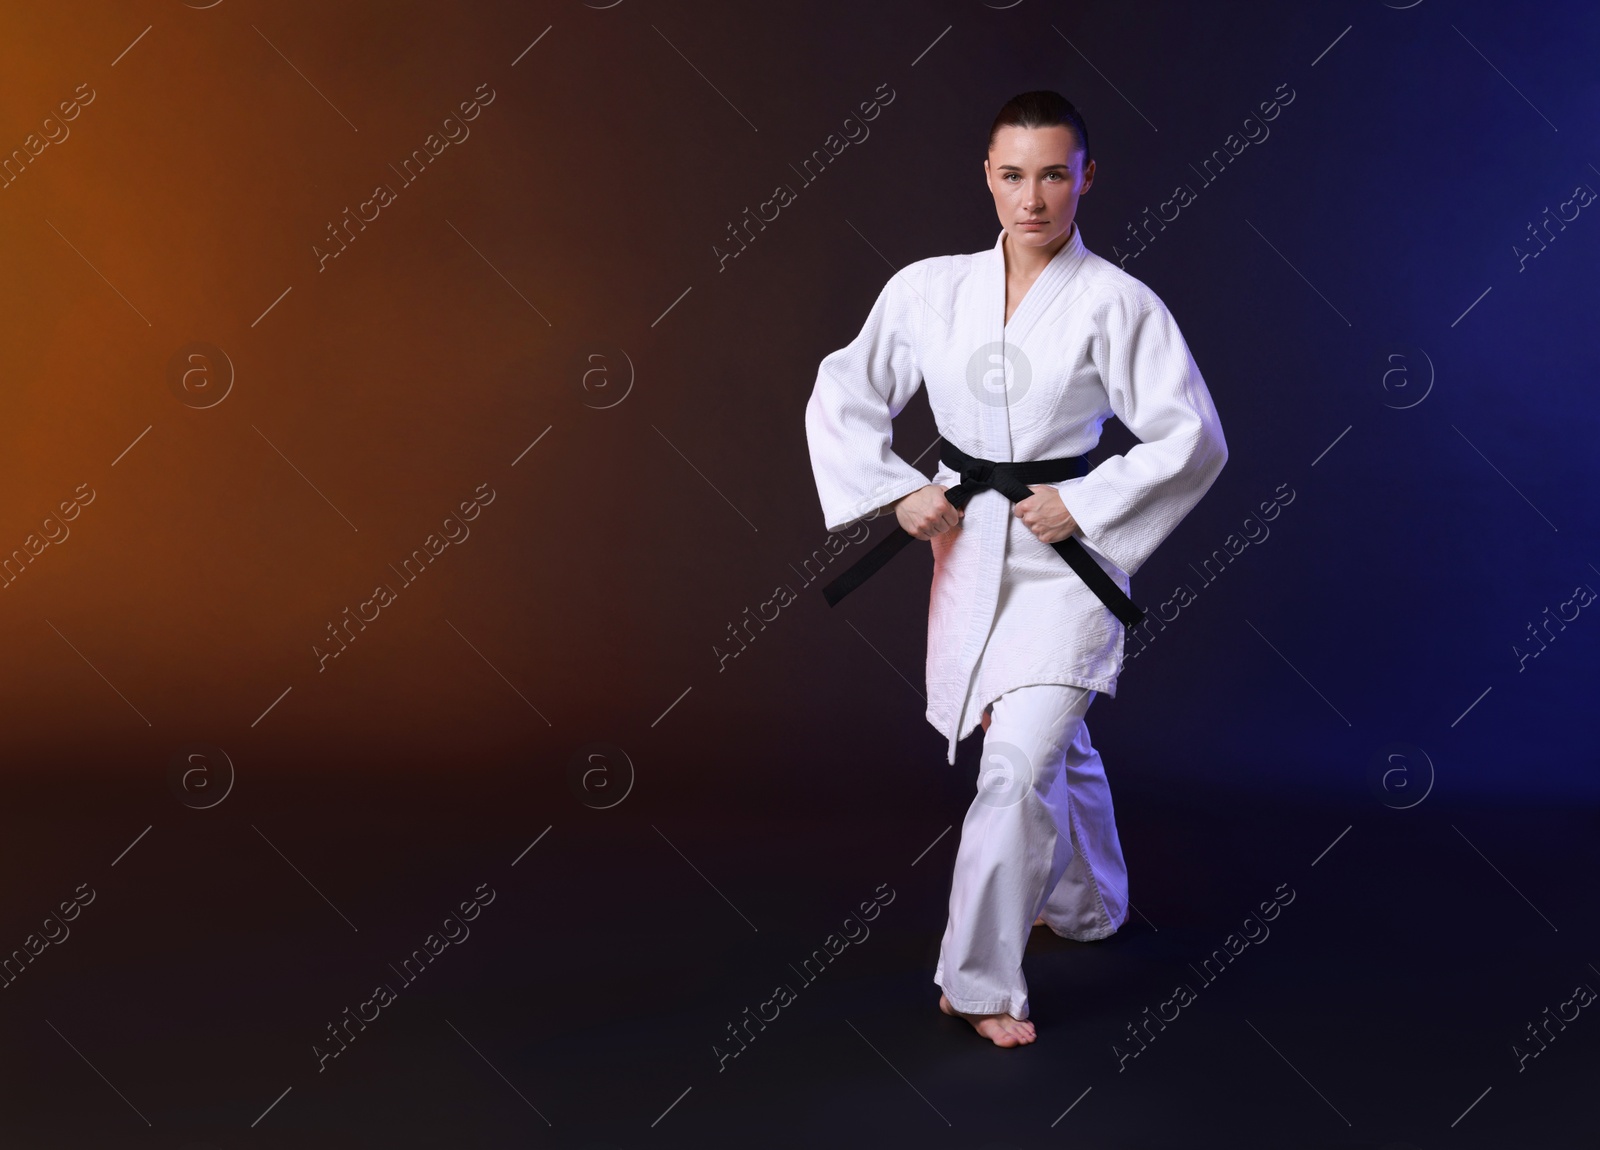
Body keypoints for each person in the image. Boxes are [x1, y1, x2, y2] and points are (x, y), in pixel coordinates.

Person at [804, 91, 1228, 1047]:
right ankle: (1089, 905)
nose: (1031, 198)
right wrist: (891, 488)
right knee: (1049, 741)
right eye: (1011, 175)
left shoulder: (1119, 301)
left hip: (1063, 558)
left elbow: (1190, 434)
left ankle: (979, 982)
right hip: (967, 545)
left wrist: (1088, 501)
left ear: (1086, 176)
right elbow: (846, 388)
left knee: (1017, 761)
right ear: (986, 177)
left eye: (1052, 174)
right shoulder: (927, 289)